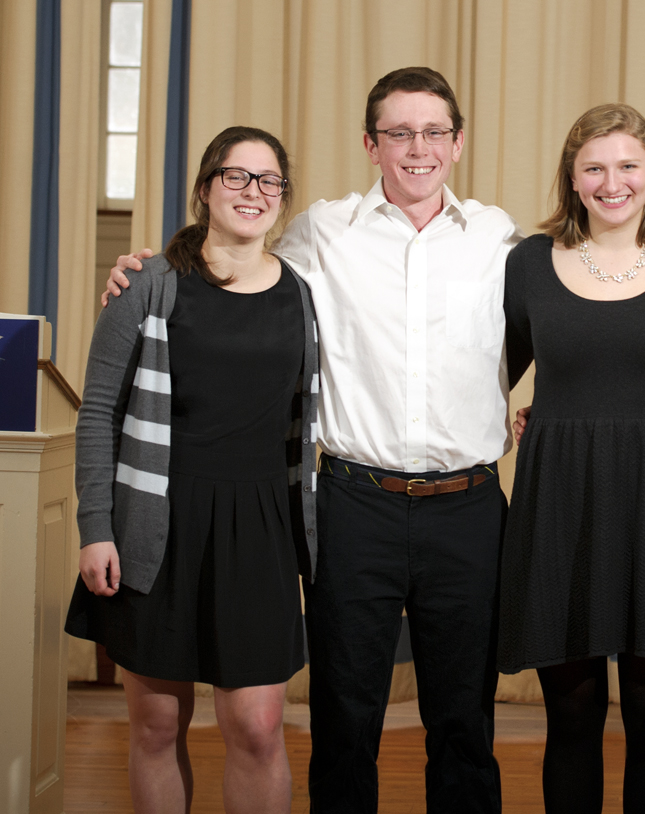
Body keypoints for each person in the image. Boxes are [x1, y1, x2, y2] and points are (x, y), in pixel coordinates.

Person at [105, 67, 521, 814]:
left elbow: (584, 296)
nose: (416, 148)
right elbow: (229, 266)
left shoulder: (500, 237)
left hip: (469, 508)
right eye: (398, 132)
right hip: (354, 504)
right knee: (344, 719)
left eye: (433, 132)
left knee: (463, 720)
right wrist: (142, 273)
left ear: (457, 144)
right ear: (371, 144)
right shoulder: (321, 232)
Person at [68, 126, 319, 814]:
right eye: (235, 176)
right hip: (158, 523)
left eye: (268, 180)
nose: (252, 191)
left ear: (283, 198)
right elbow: (97, 414)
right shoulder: (149, 283)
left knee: (259, 728)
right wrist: (96, 528)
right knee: (156, 724)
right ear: (206, 188)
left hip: (260, 528)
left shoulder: (303, 293)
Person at [498, 103, 645, 814]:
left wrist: (634, 426)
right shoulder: (528, 264)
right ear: (572, 181)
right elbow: (488, 375)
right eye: (594, 167)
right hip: (561, 506)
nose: (613, 182)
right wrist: (567, 423)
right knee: (570, 719)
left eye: (628, 165)